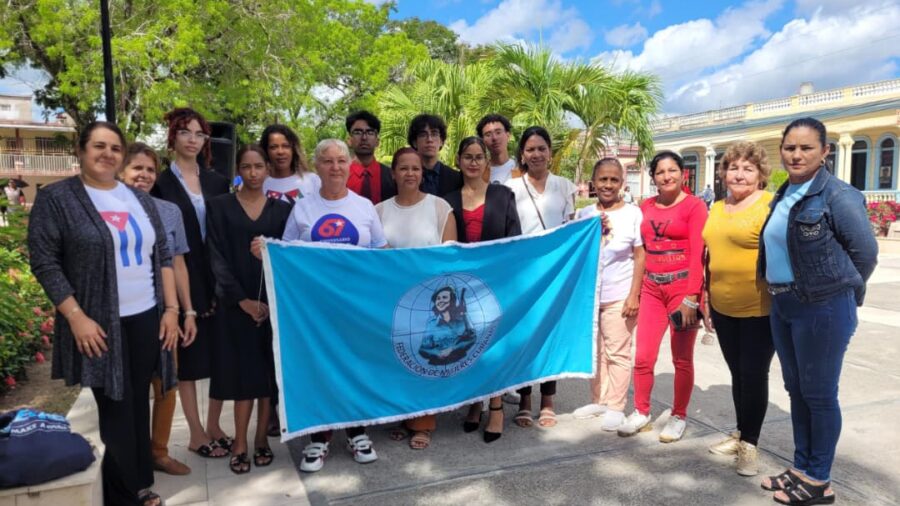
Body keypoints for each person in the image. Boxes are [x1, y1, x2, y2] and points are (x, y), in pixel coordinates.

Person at [28, 121, 179, 506]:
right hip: (97, 321)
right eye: (99, 146)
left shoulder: (138, 199)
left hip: (146, 314)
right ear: (81, 150)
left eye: (115, 148)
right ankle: (124, 494)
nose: (107, 154)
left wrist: (171, 309)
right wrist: (75, 317)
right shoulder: (59, 199)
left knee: (135, 402)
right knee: (114, 403)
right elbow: (45, 262)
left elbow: (162, 254)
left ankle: (138, 480)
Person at [759, 118, 877, 505]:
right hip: (785, 304)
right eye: (790, 147)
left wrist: (840, 293)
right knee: (797, 391)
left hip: (823, 306)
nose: (796, 154)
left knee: (820, 394)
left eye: (806, 147)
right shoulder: (785, 193)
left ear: (825, 152)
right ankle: (801, 467)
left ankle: (819, 480)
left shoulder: (838, 195)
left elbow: (865, 254)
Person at [281, 139, 386, 472]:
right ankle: (319, 438)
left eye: (342, 161)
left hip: (357, 307)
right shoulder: (303, 208)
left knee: (356, 367)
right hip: (316, 309)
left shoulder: (365, 206)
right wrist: (264, 251)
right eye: (328, 162)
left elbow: (381, 253)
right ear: (317, 167)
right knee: (320, 370)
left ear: (349, 166)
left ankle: (358, 432)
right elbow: (286, 254)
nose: (336, 167)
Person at [151, 108, 232, 459]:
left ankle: (214, 424)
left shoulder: (217, 181)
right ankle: (196, 433)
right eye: (186, 132)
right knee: (190, 356)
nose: (193, 140)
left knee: (219, 357)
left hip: (219, 276)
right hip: (181, 276)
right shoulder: (160, 184)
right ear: (173, 136)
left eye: (200, 134)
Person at [207, 145, 292, 474]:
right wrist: (241, 300)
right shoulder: (220, 208)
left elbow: (289, 257)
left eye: (259, 166)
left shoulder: (282, 211)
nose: (254, 173)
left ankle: (261, 440)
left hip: (271, 307)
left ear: (268, 169)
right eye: (247, 167)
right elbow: (214, 256)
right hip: (236, 306)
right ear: (239, 170)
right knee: (243, 379)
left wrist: (271, 304)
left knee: (266, 379)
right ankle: (239, 442)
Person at [617, 151, 708, 443]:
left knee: (682, 358)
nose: (666, 176)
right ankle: (641, 411)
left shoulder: (695, 207)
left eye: (672, 170)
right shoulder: (645, 206)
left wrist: (693, 297)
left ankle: (678, 415)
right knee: (643, 356)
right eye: (660, 172)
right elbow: (634, 241)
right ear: (653, 177)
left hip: (682, 290)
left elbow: (698, 255)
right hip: (652, 289)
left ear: (683, 173)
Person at [119, 143, 195, 476]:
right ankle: (130, 458)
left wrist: (187, 311)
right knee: (128, 390)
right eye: (137, 168)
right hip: (123, 314)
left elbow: (178, 262)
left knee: (166, 384)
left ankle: (158, 452)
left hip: (164, 313)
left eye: (150, 169)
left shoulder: (169, 211)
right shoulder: (107, 209)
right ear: (121, 171)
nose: (144, 175)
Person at [702, 141, 775, 477]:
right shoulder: (716, 207)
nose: (740, 174)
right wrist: (703, 295)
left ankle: (750, 445)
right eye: (734, 167)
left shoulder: (769, 206)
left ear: (760, 175)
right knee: (737, 373)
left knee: (753, 374)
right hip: (722, 306)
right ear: (724, 172)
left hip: (760, 308)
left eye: (748, 168)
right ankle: (741, 431)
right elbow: (710, 256)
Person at [376, 147, 456, 450]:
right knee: (396, 359)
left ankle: (423, 422)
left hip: (431, 300)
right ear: (393, 173)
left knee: (425, 359)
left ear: (423, 173)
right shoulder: (379, 210)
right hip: (391, 299)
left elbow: (450, 257)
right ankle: (399, 416)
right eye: (404, 168)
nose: (410, 173)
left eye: (416, 168)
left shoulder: (440, 208)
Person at [445, 136, 521, 443]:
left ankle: (497, 406)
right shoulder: (447, 200)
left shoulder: (503, 195)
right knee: (469, 345)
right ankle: (474, 402)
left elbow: (514, 239)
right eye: (468, 156)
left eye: (479, 157)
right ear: (459, 161)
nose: (474, 162)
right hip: (462, 287)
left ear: (486, 162)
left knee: (494, 347)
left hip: (496, 284)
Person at [504, 126, 576, 428]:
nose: (536, 154)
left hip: (556, 272)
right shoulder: (511, 187)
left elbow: (572, 227)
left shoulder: (564, 185)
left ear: (550, 152)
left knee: (551, 335)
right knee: (524, 337)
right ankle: (524, 399)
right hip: (523, 274)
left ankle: (548, 401)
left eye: (541, 148)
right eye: (530, 149)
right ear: (522, 154)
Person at [572, 158, 645, 432]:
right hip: (590, 297)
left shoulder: (633, 214)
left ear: (622, 183)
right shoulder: (585, 215)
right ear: (593, 182)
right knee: (596, 352)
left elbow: (640, 255)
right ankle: (599, 400)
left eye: (614, 180)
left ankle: (616, 406)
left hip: (619, 294)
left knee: (617, 351)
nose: (608, 185)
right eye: (603, 179)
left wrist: (634, 294)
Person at [260, 124, 320, 204]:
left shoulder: (312, 180)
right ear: (265, 151)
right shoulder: (259, 184)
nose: (280, 152)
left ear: (293, 149)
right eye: (273, 147)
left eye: (286, 146)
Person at [346, 110, 396, 204]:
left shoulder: (392, 176)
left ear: (377, 141)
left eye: (370, 132)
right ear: (349, 140)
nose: (364, 137)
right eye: (358, 132)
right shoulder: (341, 175)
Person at [408, 114, 462, 197]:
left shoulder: (456, 178)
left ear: (441, 141)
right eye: (423, 135)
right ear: (415, 142)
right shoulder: (407, 177)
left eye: (434, 134)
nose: (429, 140)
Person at [476, 113, 516, 184]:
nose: (494, 138)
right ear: (482, 141)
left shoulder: (520, 168)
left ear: (508, 135)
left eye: (498, 132)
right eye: (488, 135)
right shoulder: (479, 172)